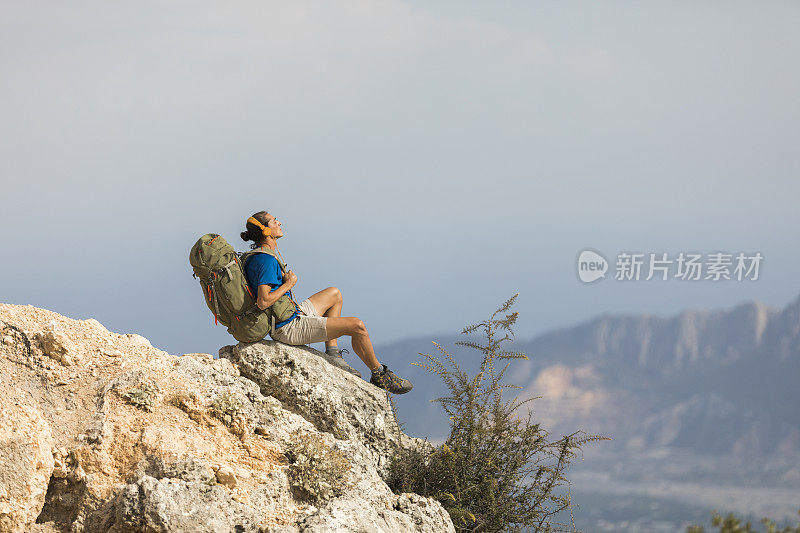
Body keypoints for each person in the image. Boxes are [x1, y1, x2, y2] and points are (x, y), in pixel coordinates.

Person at [240, 211, 413, 394]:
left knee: (334, 294)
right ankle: (379, 375)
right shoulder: (265, 260)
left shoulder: (259, 255)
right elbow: (263, 301)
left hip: (290, 313)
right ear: (266, 231)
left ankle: (333, 354)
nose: (280, 222)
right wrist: (289, 284)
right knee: (357, 326)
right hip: (287, 327)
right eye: (274, 221)